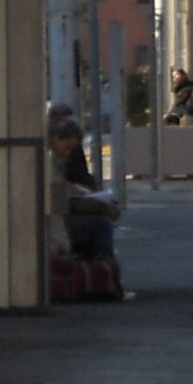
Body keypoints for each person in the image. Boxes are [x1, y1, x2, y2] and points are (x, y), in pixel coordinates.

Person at [48, 117, 127, 284]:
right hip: (53, 224)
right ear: (56, 138)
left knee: (100, 220)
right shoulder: (50, 163)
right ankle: (104, 276)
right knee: (102, 225)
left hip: (56, 218)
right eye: (67, 147)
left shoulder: (52, 160)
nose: (67, 153)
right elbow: (56, 203)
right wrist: (76, 193)